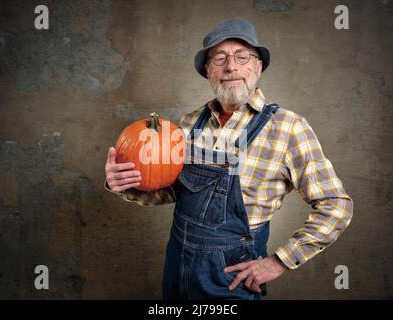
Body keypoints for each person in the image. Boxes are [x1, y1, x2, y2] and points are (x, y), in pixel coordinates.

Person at [104, 19, 354, 300]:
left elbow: (336, 205)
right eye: (219, 58)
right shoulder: (188, 124)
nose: (231, 67)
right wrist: (125, 184)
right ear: (208, 71)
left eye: (242, 56)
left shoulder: (288, 127)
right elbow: (172, 191)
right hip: (177, 268)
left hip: (231, 278)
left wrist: (279, 261)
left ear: (258, 67)